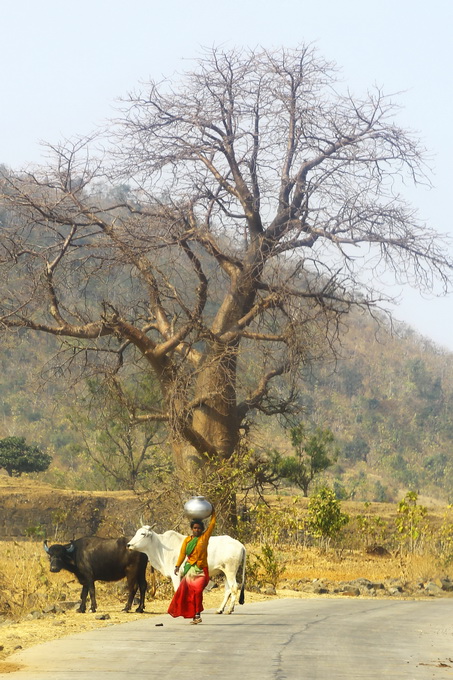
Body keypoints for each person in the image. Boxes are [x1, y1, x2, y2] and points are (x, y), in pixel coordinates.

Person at [167, 506, 216, 624]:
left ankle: (198, 613)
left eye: (199, 528)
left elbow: (212, 524)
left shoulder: (205, 537)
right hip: (190, 571)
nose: (197, 530)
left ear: (202, 529)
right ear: (191, 529)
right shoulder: (187, 541)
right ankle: (195, 615)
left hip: (201, 570)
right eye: (195, 528)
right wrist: (177, 566)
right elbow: (182, 554)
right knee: (187, 594)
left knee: (198, 591)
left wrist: (213, 512)